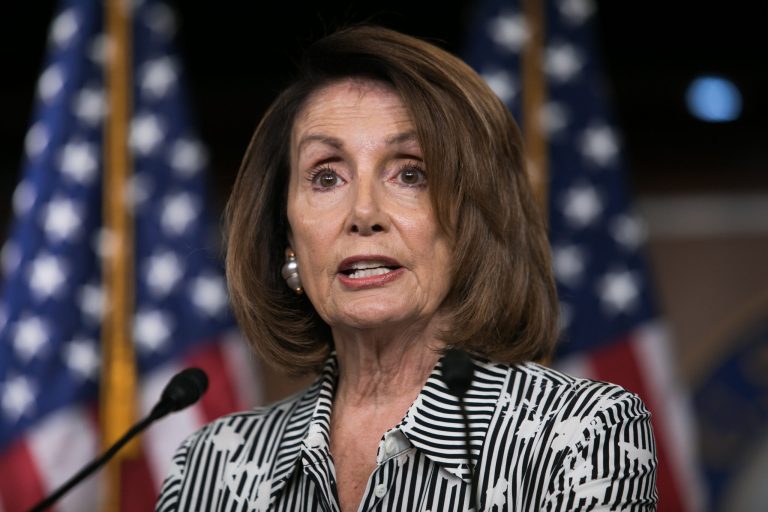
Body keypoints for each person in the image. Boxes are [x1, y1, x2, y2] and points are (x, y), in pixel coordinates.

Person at [156, 26, 657, 511]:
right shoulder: (212, 464)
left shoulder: (579, 433)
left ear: (472, 220)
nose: (364, 214)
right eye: (326, 177)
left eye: (410, 173)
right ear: (287, 236)